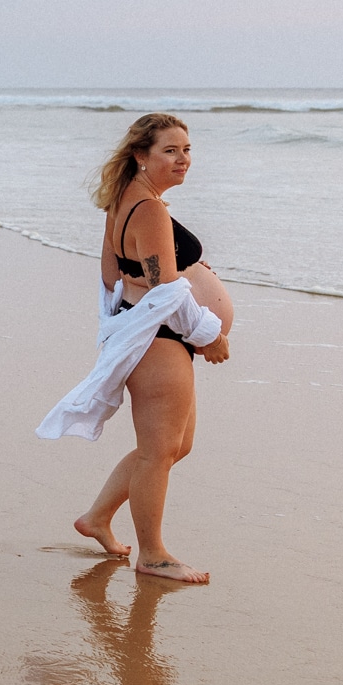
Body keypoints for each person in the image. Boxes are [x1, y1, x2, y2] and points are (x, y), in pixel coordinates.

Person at [57, 114, 234, 583]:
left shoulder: (124, 202)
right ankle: (152, 554)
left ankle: (96, 517)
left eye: (188, 150)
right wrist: (209, 336)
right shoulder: (149, 209)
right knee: (159, 450)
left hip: (150, 330)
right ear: (141, 154)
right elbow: (167, 294)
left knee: (176, 445)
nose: (183, 160)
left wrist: (139, 290)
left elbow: (112, 276)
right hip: (160, 337)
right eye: (170, 151)